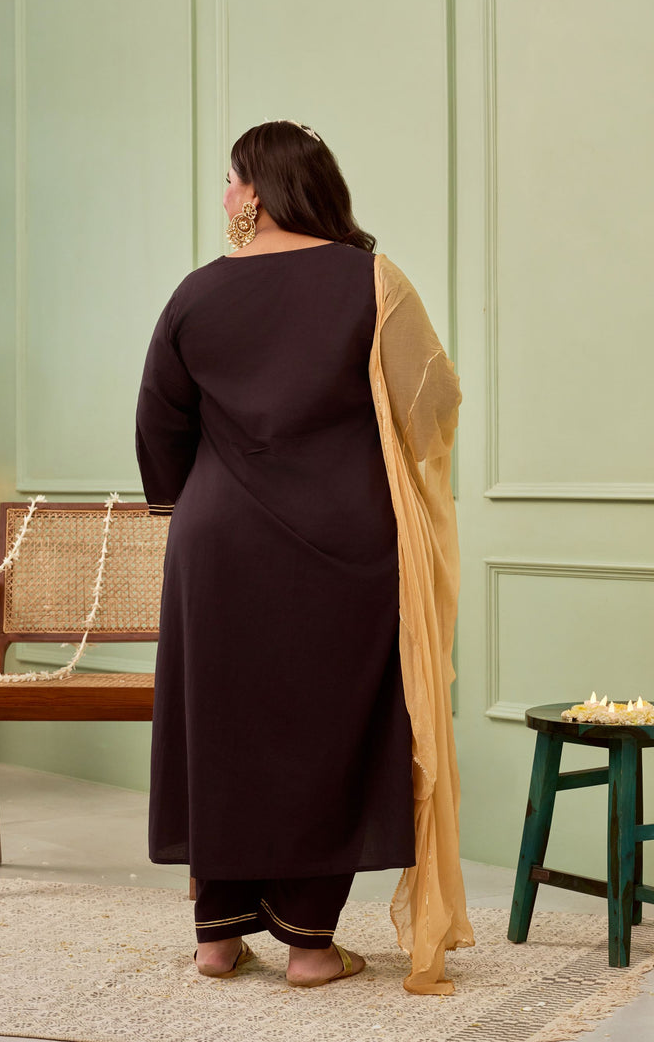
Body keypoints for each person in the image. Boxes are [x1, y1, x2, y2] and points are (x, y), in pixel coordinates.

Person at [135, 120, 474, 995]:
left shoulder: (196, 293)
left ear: (256, 191)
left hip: (215, 544)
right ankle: (310, 947)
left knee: (223, 725)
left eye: (230, 180)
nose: (224, 196)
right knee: (328, 729)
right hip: (341, 537)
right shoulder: (372, 279)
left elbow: (159, 422)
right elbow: (432, 400)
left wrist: (193, 500)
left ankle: (217, 940)